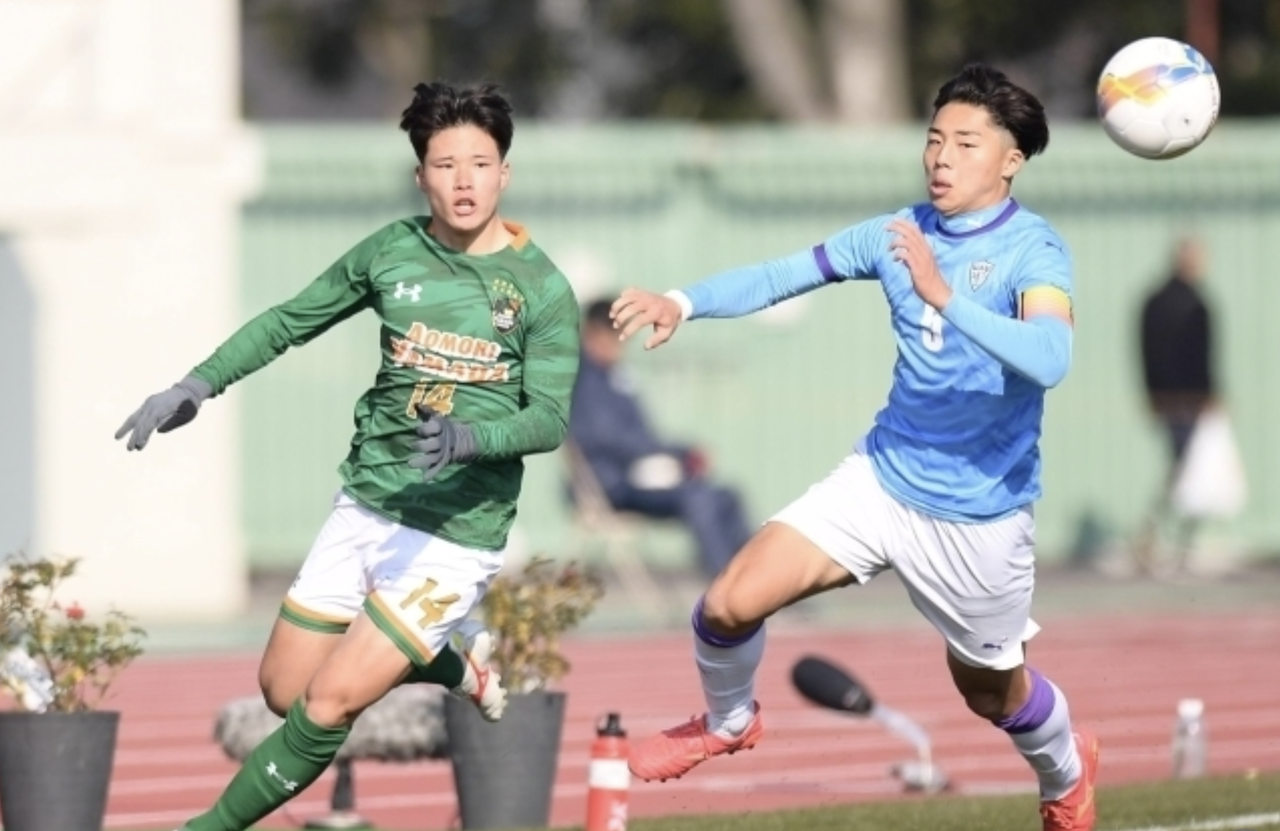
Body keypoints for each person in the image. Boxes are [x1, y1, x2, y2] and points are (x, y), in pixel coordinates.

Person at [610, 64, 1099, 831]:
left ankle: (1066, 772)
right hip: (881, 476)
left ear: (1011, 160)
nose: (941, 157)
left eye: (965, 143)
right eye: (934, 139)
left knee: (990, 691)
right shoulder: (895, 232)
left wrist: (945, 296)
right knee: (728, 601)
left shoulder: (1034, 250)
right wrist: (682, 301)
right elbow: (785, 274)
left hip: (979, 514)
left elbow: (1050, 357)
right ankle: (730, 721)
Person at [114, 82, 581, 831]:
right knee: (283, 690)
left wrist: (471, 439)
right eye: (445, 165)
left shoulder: (541, 288)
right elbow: (289, 321)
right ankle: (453, 662)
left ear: (505, 173)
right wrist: (197, 383)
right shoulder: (391, 252)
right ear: (421, 176)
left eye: (479, 164)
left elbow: (549, 419)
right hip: (369, 504)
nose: (464, 182)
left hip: (455, 534)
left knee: (328, 703)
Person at [569, 298, 752, 578]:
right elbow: (613, 439)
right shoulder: (586, 381)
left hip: (636, 476)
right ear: (593, 334)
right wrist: (678, 454)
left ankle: (751, 580)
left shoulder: (612, 376)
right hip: (613, 483)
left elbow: (638, 437)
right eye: (617, 337)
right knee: (700, 499)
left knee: (727, 496)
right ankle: (724, 584)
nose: (622, 346)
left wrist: (678, 452)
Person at [1135, 236, 1216, 573]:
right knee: (1188, 471)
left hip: (1172, 399)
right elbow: (1201, 357)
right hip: (1188, 400)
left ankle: (1163, 539)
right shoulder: (1194, 304)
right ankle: (1167, 540)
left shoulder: (1156, 301)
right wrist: (1210, 395)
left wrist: (1152, 393)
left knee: (1184, 468)